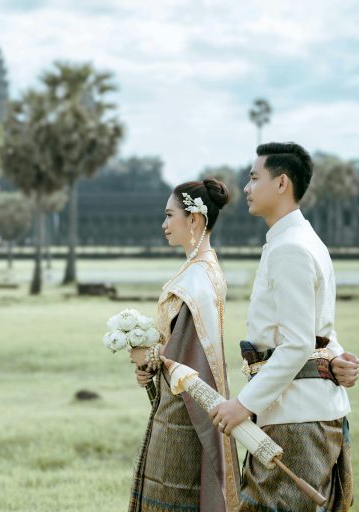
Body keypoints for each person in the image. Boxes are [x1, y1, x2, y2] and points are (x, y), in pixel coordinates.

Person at [209, 142, 359, 511]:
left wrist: (243, 404)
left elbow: (296, 343)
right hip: (306, 411)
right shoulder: (300, 240)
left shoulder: (290, 247)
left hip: (297, 417)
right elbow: (318, 329)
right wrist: (337, 357)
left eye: (254, 177)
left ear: (281, 184)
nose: (246, 187)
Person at [129, 178, 240, 512]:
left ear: (194, 219)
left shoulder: (197, 279)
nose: (163, 224)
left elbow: (185, 353)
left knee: (174, 496)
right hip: (181, 400)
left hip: (184, 412)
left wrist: (146, 355)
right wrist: (149, 365)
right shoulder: (204, 270)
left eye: (169, 215)